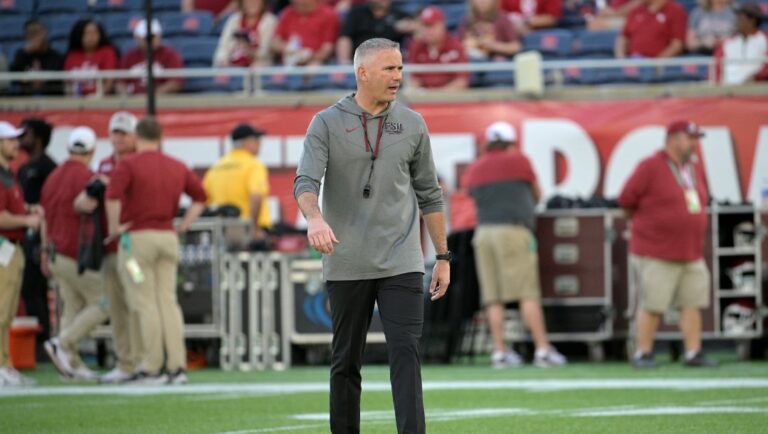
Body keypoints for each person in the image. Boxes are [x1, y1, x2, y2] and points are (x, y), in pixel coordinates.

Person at [294, 38, 450, 434]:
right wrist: (314, 219)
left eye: (400, 68)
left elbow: (430, 193)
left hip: (401, 260)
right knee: (345, 361)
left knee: (406, 354)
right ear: (362, 73)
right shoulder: (326, 122)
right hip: (346, 261)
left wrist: (443, 258)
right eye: (389, 69)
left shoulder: (413, 123)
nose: (398, 76)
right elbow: (306, 181)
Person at [106, 117, 207, 385]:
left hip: (136, 243)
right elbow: (201, 196)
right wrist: (184, 224)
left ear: (137, 136)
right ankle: (177, 366)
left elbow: (112, 197)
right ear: (161, 136)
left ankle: (151, 366)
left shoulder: (127, 164)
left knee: (143, 299)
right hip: (168, 239)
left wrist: (116, 227)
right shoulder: (176, 165)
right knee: (168, 302)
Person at [463, 121, 567, 369]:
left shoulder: (476, 167)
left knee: (493, 297)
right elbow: (537, 194)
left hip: (484, 234)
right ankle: (542, 349)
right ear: (511, 143)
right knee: (527, 293)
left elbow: (472, 196)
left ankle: (499, 352)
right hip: (513, 231)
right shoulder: (520, 161)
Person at [619, 120, 718, 369]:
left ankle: (693, 352)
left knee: (692, 303)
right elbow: (626, 200)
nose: (695, 143)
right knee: (652, 303)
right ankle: (644, 353)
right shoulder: (650, 166)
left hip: (690, 250)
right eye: (690, 138)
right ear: (673, 138)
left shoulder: (694, 169)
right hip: (656, 250)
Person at [41, 127, 108, 381]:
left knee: (73, 305)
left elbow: (44, 217)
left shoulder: (53, 177)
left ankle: (70, 363)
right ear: (91, 151)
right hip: (74, 252)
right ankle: (63, 342)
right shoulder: (88, 177)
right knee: (104, 302)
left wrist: (46, 252)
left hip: (55, 251)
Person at [95, 112, 140, 384]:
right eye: (115, 133)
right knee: (117, 306)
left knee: (139, 301)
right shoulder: (103, 164)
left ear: (135, 136)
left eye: (124, 133)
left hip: (133, 248)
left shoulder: (140, 163)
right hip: (111, 248)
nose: (119, 138)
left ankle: (144, 359)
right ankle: (125, 362)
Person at [0, 121, 40, 387]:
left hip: (12, 249)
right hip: (3, 246)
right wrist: (27, 221)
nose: (17, 144)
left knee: (8, 312)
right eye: (11, 140)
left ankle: (4, 363)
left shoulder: (8, 174)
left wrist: (27, 211)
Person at [17, 118, 57, 356]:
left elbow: (48, 208)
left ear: (38, 138)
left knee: (34, 289)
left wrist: (45, 243)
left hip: (40, 235)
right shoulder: (22, 169)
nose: (22, 139)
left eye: (26, 134)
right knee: (28, 290)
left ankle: (44, 342)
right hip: (24, 234)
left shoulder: (48, 167)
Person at [203, 123, 271, 248]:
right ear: (246, 142)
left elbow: (204, 202)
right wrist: (253, 229)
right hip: (246, 232)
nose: (259, 144)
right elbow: (256, 196)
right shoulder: (253, 165)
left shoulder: (216, 168)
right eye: (256, 140)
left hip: (221, 234)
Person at [407, 6, 470, 90]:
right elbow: (413, 79)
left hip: (450, 99)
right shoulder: (416, 47)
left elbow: (461, 81)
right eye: (425, 26)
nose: (428, 30)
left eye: (432, 26)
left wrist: (436, 96)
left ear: (442, 25)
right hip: (423, 99)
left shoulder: (456, 46)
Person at [336, 0, 416, 65]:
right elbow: (345, 38)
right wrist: (344, 63)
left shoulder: (400, 15)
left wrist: (412, 27)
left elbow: (419, 33)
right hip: (361, 62)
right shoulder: (356, 13)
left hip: (390, 63)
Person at [119, 19, 184, 95]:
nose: (149, 41)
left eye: (152, 37)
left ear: (159, 36)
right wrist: (127, 98)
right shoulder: (129, 56)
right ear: (137, 38)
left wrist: (152, 97)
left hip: (161, 101)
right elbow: (120, 82)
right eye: (146, 38)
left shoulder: (170, 54)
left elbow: (176, 82)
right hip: (134, 101)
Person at [270, 0, 340, 66]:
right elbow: (275, 42)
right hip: (288, 61)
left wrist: (309, 56)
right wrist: (288, 49)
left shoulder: (328, 14)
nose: (297, 2)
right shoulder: (288, 12)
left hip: (316, 61)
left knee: (314, 67)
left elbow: (327, 49)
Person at [213, 0, 278, 67]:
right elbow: (223, 48)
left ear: (263, 2)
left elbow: (267, 53)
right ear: (241, 2)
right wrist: (222, 61)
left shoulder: (270, 21)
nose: (252, 3)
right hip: (232, 67)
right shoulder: (233, 19)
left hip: (257, 69)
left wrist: (252, 52)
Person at [64, 19, 119, 96]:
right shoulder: (72, 54)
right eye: (87, 33)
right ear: (79, 35)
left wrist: (95, 98)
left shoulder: (107, 52)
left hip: (100, 101)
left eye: (95, 32)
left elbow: (109, 82)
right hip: (76, 101)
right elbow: (67, 83)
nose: (92, 37)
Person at [716, 3, 768, 85]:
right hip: (727, 91)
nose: (736, 21)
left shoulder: (765, 40)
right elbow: (716, 69)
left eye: (740, 18)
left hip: (756, 90)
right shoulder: (728, 43)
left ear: (752, 21)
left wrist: (757, 77)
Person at [9, 19, 64, 96]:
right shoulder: (21, 54)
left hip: (51, 98)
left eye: (38, 32)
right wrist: (25, 53)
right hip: (25, 99)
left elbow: (55, 81)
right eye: (31, 33)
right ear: (26, 36)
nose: (35, 37)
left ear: (45, 32)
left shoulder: (55, 55)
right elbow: (14, 78)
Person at [615, 0, 687, 58]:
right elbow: (623, 38)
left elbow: (677, 44)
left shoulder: (675, 10)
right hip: (634, 62)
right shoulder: (636, 10)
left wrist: (658, 63)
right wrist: (621, 60)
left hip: (661, 66)